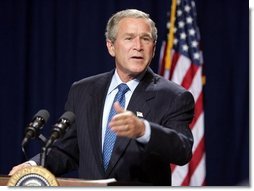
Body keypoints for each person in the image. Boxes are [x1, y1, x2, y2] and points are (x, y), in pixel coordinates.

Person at [9, 9, 194, 186]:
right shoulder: (82, 90)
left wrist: (143, 130)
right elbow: (69, 149)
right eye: (129, 38)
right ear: (111, 46)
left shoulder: (174, 97)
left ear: (153, 49)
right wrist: (33, 166)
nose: (138, 46)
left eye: (145, 39)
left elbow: (183, 150)